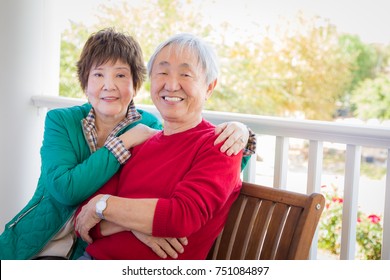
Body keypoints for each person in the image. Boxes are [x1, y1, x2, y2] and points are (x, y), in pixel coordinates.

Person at [0, 29, 255, 260]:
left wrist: (244, 134)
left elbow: (184, 210)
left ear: (135, 84)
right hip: (46, 243)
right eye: (163, 72)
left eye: (120, 75)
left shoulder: (160, 131)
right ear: (85, 82)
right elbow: (82, 213)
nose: (108, 86)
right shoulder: (138, 138)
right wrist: (130, 217)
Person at [75, 33, 250, 260]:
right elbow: (85, 222)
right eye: (162, 72)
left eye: (185, 74)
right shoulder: (140, 141)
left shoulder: (220, 144)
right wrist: (135, 225)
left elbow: (180, 218)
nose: (171, 84)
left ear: (209, 87)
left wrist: (103, 206)